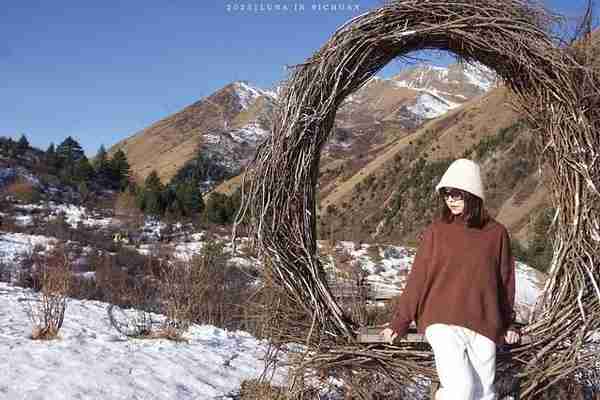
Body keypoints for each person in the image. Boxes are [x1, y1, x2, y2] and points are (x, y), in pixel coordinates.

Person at [381, 158, 520, 400]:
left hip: (484, 321)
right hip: (441, 320)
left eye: (457, 194)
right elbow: (418, 277)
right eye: (446, 194)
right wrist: (400, 321)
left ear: (473, 195)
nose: (451, 199)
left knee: (484, 394)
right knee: (460, 391)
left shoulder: (496, 234)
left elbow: (505, 282)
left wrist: (508, 323)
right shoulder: (437, 231)